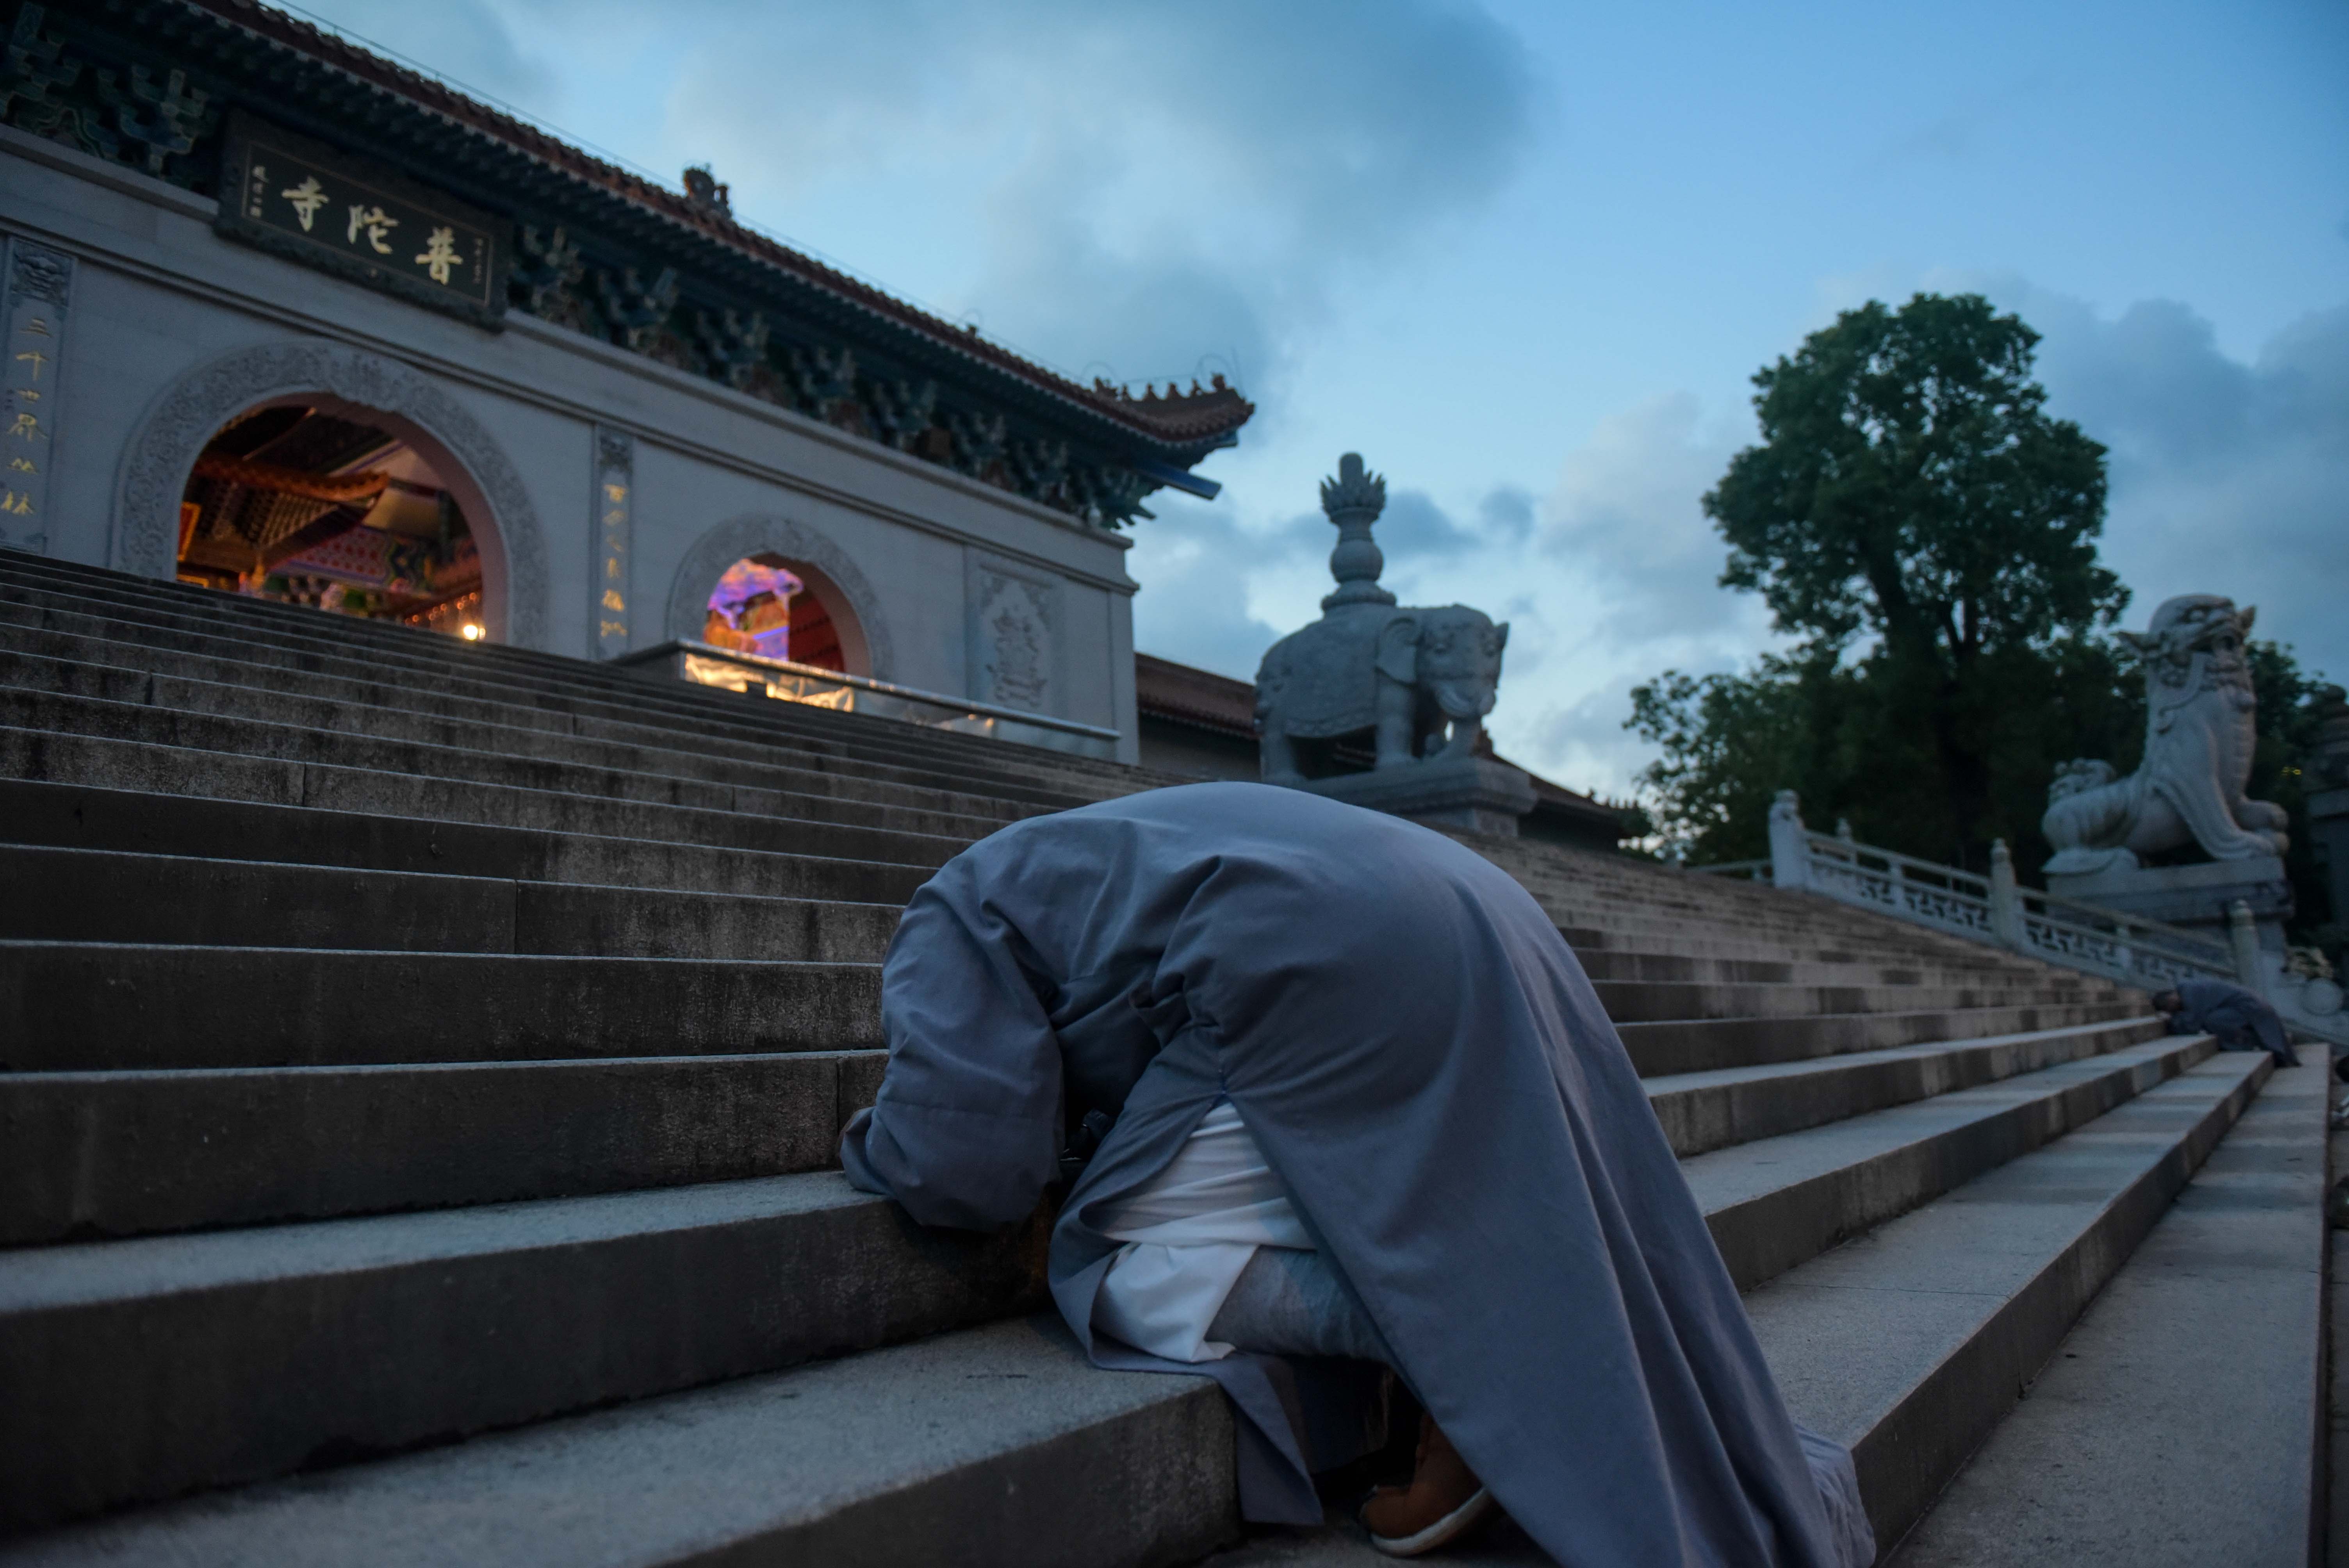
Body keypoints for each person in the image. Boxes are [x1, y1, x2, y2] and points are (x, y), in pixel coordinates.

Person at [840, 782, 1875, 1564]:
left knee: (1116, 1266)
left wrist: (867, 1142)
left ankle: (1469, 1366)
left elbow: (964, 1167)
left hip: (1315, 954)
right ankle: (1515, 1353)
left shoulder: (947, 906)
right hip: (1475, 910)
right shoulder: (1093, 847)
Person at [2151, 978, 2299, 1066]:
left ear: (2171, 1000)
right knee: (2215, 1019)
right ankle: (2257, 1045)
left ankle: (2246, 1045)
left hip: (2249, 1007)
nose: (2175, 1011)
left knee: (2213, 1020)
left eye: (2170, 1008)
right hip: (2252, 1004)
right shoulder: (2189, 989)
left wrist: (2171, 1020)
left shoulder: (2189, 994)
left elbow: (2192, 1024)